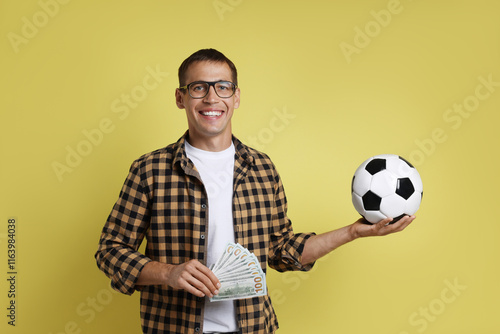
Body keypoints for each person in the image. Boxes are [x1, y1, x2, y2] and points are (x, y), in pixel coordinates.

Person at [94, 48, 415, 334]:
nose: (211, 98)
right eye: (198, 88)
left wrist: (353, 232)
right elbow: (110, 250)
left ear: (236, 97)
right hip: (174, 327)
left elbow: (282, 250)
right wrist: (168, 273)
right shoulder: (150, 170)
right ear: (180, 98)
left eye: (222, 87)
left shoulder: (262, 168)